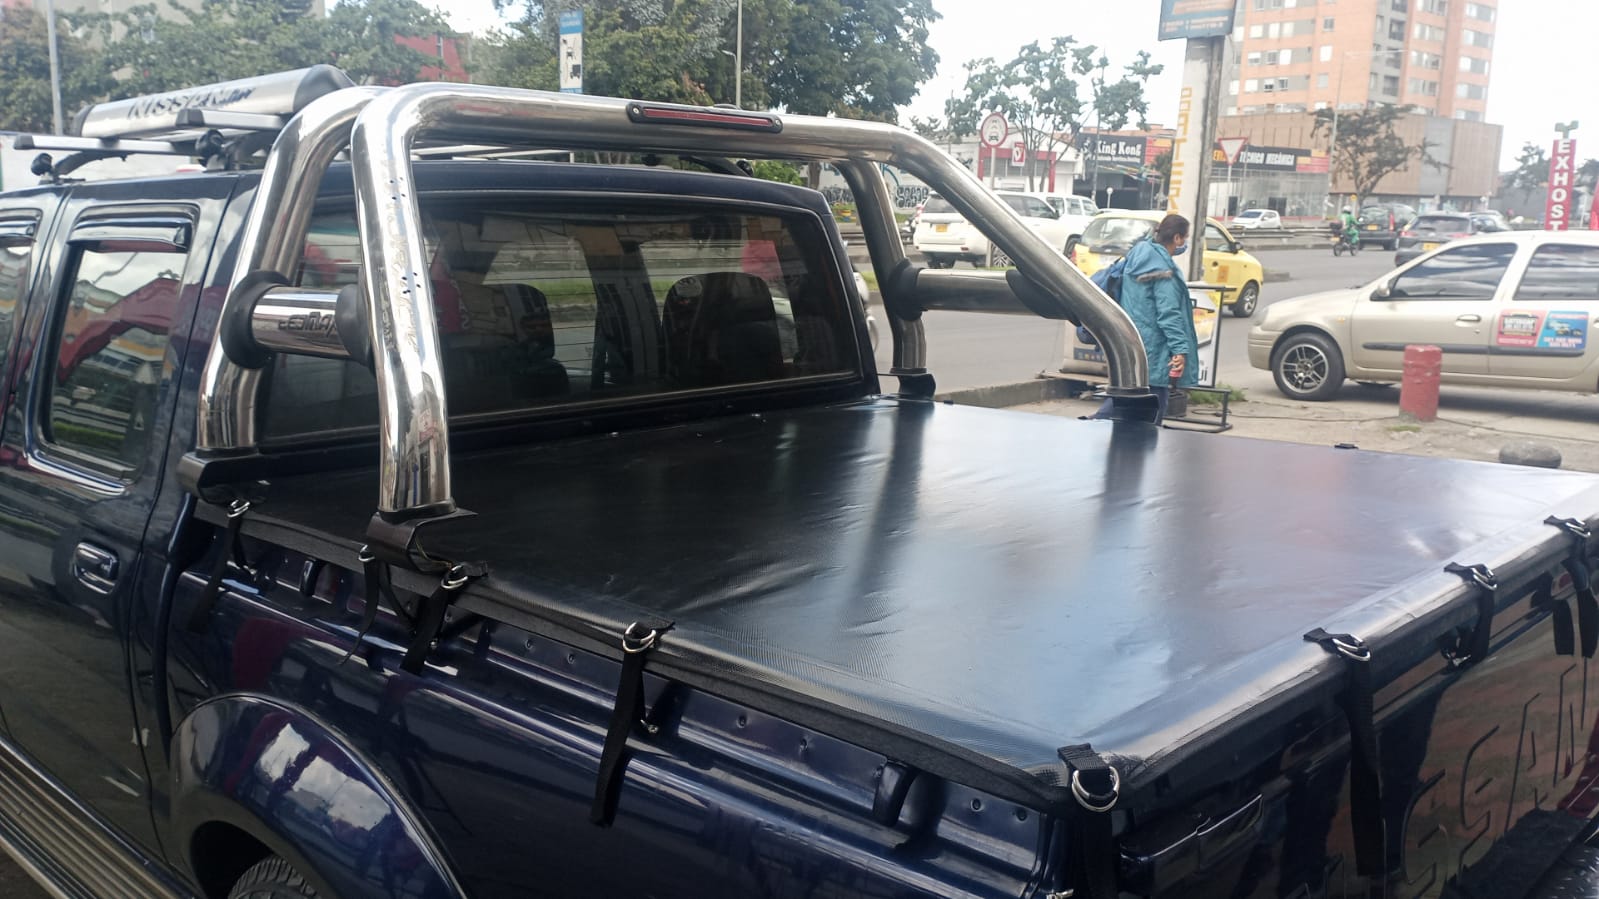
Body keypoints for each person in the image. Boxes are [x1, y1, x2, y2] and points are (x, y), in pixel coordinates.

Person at [1093, 214, 1199, 423]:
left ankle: (1096, 428)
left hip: (1130, 339)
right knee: (1152, 410)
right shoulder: (1163, 270)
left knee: (1125, 399)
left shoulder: (1138, 255)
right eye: (1185, 238)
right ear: (1177, 238)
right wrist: (1179, 349)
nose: (1184, 243)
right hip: (1155, 349)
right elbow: (1169, 314)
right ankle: (1090, 428)